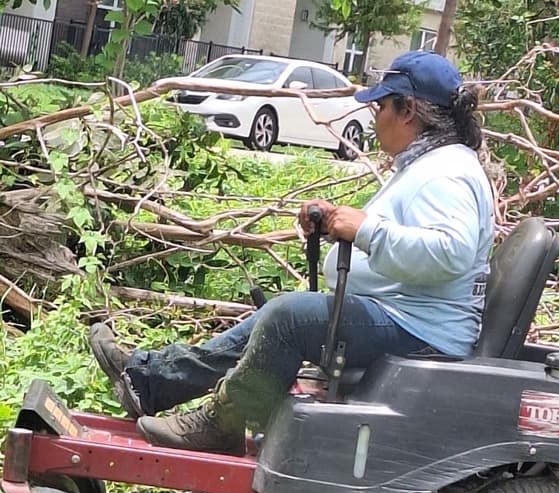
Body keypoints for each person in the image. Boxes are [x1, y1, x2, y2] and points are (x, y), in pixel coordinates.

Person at [88, 50, 495, 455]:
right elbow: (410, 238)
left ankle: (221, 424)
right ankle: (150, 380)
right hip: (406, 314)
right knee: (282, 313)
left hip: (421, 331)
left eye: (380, 106)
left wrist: (366, 229)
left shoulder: (446, 173)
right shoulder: (431, 164)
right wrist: (338, 223)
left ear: (408, 111)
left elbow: (450, 252)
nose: (374, 117)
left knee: (290, 318)